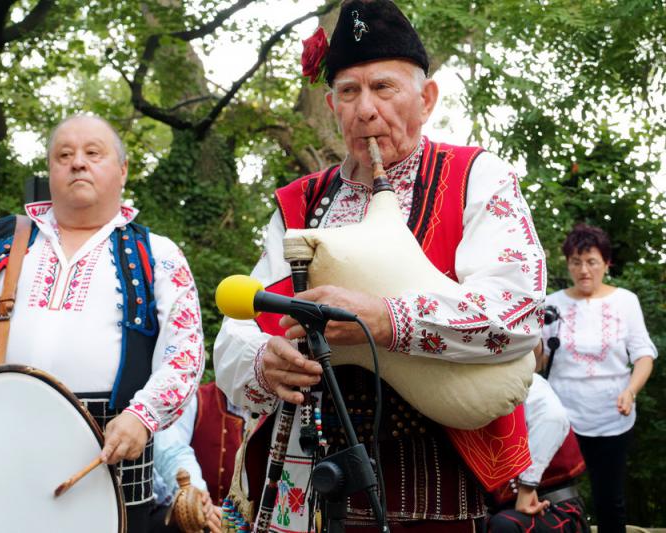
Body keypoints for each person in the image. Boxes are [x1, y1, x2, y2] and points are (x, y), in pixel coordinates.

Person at [214, 1, 546, 531]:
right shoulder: (300, 203)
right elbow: (238, 329)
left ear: (427, 98)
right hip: (302, 486)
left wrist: (387, 319)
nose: (365, 109)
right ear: (332, 105)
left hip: (429, 483)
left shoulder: (475, 177)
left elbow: (520, 312)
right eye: (349, 92)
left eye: (383, 87)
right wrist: (263, 361)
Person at [0, 114, 205, 531]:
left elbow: (184, 354)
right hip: (1, 453)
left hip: (112, 464)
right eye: (63, 155)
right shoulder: (2, 241)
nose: (77, 163)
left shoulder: (159, 252)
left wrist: (144, 416)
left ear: (122, 170)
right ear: (50, 171)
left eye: (93, 153)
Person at [542, 223, 656, 533]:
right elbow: (539, 360)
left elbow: (643, 355)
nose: (583, 270)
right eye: (576, 262)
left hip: (611, 417)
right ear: (568, 264)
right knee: (555, 499)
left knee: (610, 501)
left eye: (592, 261)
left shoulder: (626, 301)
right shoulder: (551, 303)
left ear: (607, 263)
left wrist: (631, 391)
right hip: (561, 419)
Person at [488, 374, 589, 533]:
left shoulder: (526, 379)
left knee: (504, 525)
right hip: (499, 512)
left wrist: (527, 487)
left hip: (553, 508)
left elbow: (553, 418)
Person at [150, 382, 246, 533]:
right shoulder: (194, 399)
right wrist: (196, 502)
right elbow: (171, 452)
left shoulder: (277, 410)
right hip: (201, 522)